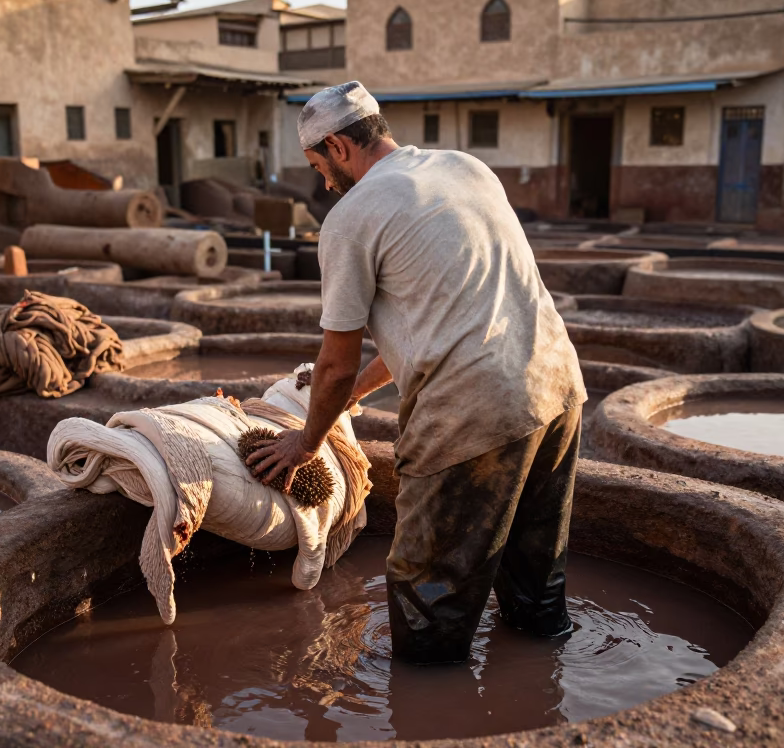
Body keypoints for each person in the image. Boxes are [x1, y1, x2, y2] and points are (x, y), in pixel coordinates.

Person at [247, 81, 586, 665]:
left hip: (469, 412)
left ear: (337, 145)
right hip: (556, 391)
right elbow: (443, 324)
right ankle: (539, 702)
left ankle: (429, 708)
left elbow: (334, 361)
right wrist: (356, 395)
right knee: (536, 579)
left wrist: (307, 440)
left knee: (425, 596)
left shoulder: (352, 217)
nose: (324, 182)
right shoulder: (466, 168)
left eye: (318, 165)